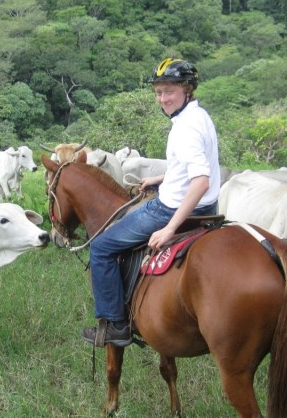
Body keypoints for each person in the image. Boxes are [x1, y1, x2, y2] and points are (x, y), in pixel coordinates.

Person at [82, 58, 221, 347]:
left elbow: (201, 180)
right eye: (158, 92)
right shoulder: (199, 117)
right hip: (208, 210)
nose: (163, 98)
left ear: (187, 89)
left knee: (101, 247)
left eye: (169, 91)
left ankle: (116, 326)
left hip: (170, 210)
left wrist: (170, 228)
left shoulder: (185, 129)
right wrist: (159, 178)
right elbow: (188, 169)